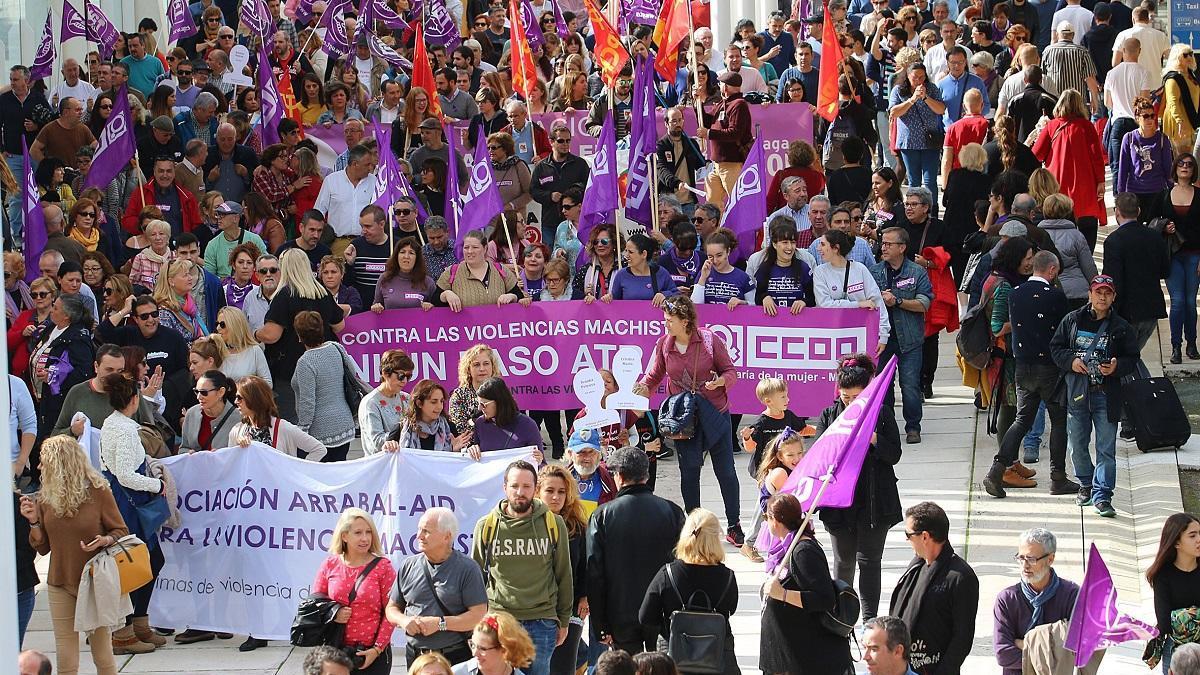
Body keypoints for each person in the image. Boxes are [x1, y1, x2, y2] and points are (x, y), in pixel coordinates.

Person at [634, 295, 744, 545]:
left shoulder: (709, 340)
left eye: (669, 320)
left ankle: (734, 524)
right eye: (664, 320)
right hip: (683, 419)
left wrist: (720, 382)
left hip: (715, 412)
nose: (665, 324)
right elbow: (653, 376)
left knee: (725, 471)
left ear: (685, 321)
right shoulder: (664, 344)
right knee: (689, 472)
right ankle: (694, 524)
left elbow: (731, 372)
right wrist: (641, 389)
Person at [20, 435, 127, 675]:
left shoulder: (99, 491)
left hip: (94, 582)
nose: (38, 467)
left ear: (59, 463)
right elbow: (43, 547)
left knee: (102, 653)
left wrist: (105, 540)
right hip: (60, 581)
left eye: (43, 461)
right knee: (66, 658)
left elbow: (121, 530)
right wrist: (34, 522)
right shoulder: (46, 497)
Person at [1049, 274, 1139, 518]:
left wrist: (1117, 366)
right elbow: (1056, 348)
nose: (1102, 296)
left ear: (1113, 297)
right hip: (1077, 394)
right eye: (1098, 292)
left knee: (1106, 448)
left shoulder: (1120, 327)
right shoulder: (1072, 320)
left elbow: (1133, 358)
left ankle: (1102, 495)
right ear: (1090, 294)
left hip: (1106, 395)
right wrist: (1072, 361)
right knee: (1077, 444)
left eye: (1107, 293)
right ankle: (1086, 483)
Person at [471, 460, 573, 675]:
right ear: (504, 487)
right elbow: (476, 578)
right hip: (499, 620)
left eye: (526, 486)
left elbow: (564, 575)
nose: (520, 492)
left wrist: (563, 620)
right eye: (515, 486)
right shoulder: (487, 526)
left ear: (535, 489)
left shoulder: (553, 524)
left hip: (542, 622)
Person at [586, 447, 685, 655]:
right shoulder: (673, 512)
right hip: (663, 613)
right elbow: (682, 565)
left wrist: (601, 626)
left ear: (619, 477)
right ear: (646, 475)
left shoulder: (602, 516)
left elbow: (595, 573)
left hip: (619, 615)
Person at [96, 373, 168, 654]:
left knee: (140, 561)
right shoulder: (125, 430)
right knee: (140, 562)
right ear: (134, 399)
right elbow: (126, 474)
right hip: (131, 503)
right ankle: (127, 629)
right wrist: (157, 484)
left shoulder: (110, 423)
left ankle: (137, 622)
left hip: (120, 500)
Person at [758, 493, 854, 673]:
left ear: (776, 521)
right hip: (784, 652)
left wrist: (783, 595)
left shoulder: (803, 551)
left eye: (767, 517)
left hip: (802, 656)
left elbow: (825, 599)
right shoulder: (784, 548)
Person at [639, 509, 740, 675]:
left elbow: (645, 616)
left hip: (674, 656)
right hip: (717, 656)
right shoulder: (727, 576)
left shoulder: (668, 574)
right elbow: (731, 608)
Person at [387, 507, 488, 667]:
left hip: (454, 658)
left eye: (426, 531)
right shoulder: (408, 566)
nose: (419, 536)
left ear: (447, 537)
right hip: (415, 657)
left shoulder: (467, 569)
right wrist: (404, 620)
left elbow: (478, 616)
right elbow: (391, 608)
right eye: (419, 530)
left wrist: (440, 623)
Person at [889, 502, 979, 675]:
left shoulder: (961, 577)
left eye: (908, 535)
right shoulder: (916, 566)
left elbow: (962, 637)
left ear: (924, 536)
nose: (907, 540)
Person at [256, 249, 345, 422]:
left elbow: (272, 335)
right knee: (321, 418)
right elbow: (339, 325)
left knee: (293, 422)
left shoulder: (285, 295)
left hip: (290, 369)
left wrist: (255, 333)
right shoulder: (322, 293)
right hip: (323, 364)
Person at [311, 508, 397, 674]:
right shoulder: (330, 564)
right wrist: (334, 613)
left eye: (368, 532)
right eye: (358, 532)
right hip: (334, 651)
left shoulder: (383, 568)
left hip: (371, 655)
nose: (365, 538)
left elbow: (392, 611)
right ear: (344, 536)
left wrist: (377, 649)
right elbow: (316, 603)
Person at [992, 528, 1082, 675]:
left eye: (1032, 559)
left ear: (1050, 559)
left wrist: (1024, 644)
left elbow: (1076, 649)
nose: (1025, 565)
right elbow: (1003, 654)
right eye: (1021, 558)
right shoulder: (1007, 599)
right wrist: (1052, 650)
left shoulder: (1071, 594)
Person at [871, 228, 932, 443]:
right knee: (884, 387)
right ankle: (888, 428)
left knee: (910, 385)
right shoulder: (874, 271)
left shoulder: (917, 272)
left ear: (902, 247)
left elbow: (924, 303)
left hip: (910, 339)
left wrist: (897, 301)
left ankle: (913, 427)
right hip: (882, 341)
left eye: (889, 244)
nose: (883, 247)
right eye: (883, 243)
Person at [1031, 89, 1106, 250]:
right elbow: (1097, 157)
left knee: (1061, 233)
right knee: (1088, 230)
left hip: (1058, 187)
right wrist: (1101, 181)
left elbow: (1036, 154)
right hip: (1084, 188)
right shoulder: (1087, 126)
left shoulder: (1051, 126)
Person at [535, 463, 590, 675]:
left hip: (570, 607)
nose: (556, 497)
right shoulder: (526, 524)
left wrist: (585, 596)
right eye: (549, 491)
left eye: (561, 492)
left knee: (562, 666)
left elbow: (585, 564)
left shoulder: (577, 525)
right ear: (538, 491)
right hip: (536, 608)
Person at [1103, 192, 1172, 360]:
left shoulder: (1114, 241)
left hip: (1126, 311)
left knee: (1124, 360)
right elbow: (1165, 271)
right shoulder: (1155, 236)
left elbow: (1113, 281)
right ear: (1139, 211)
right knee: (1132, 357)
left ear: (1117, 211)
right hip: (1151, 309)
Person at [292, 311, 359, 462]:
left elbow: (308, 402)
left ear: (299, 336)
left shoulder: (305, 362)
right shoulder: (336, 347)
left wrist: (302, 431)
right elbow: (353, 374)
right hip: (345, 424)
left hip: (319, 432)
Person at [29, 295, 97, 441]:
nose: (51, 310)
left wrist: (54, 377)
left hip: (59, 404)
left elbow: (84, 373)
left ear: (66, 316)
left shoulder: (77, 338)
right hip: (40, 399)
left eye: (55, 307)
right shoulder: (51, 327)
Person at [814, 230, 891, 356]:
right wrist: (858, 304)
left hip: (861, 334)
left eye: (822, 244)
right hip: (832, 335)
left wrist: (883, 335)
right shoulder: (820, 272)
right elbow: (824, 305)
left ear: (835, 248)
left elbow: (877, 302)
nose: (818, 248)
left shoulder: (860, 269)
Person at [1155, 154, 1200, 363]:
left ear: (1193, 170)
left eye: (1189, 165)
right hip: (1172, 255)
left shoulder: (1199, 195)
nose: (1185, 167)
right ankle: (1176, 347)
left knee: (1191, 302)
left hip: (1194, 256)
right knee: (1178, 301)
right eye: (1181, 163)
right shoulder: (1164, 195)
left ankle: (1191, 343)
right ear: (1175, 168)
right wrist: (1164, 227)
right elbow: (1151, 222)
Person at [1146, 513, 1200, 673]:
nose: (1199, 539)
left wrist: (1182, 617)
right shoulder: (1162, 575)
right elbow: (1164, 623)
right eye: (1192, 535)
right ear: (1176, 542)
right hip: (1176, 651)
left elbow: (1172, 619)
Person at [230, 375, 328, 460]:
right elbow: (232, 464)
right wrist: (238, 448)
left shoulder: (283, 428)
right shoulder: (237, 431)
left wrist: (297, 471)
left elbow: (319, 449)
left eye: (239, 398)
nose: (236, 402)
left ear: (254, 399)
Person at [890, 63, 947, 206]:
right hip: (909, 142)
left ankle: (931, 212)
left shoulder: (932, 89)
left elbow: (941, 109)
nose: (919, 81)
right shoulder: (898, 90)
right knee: (914, 180)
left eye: (922, 77)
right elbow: (893, 112)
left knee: (930, 180)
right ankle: (913, 209)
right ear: (908, 76)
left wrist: (926, 98)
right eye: (915, 78)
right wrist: (912, 100)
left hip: (930, 142)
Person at [698, 71, 753, 207]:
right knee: (712, 204)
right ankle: (715, 227)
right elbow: (706, 120)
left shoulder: (739, 105)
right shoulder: (722, 104)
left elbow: (735, 133)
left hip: (732, 164)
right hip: (717, 164)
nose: (719, 86)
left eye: (721, 84)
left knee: (737, 202)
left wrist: (709, 134)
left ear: (726, 87)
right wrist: (697, 103)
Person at [1037, 195, 1098, 308]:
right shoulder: (1076, 236)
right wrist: (1096, 285)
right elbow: (1088, 266)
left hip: (1045, 289)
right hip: (1076, 291)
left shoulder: (1037, 235)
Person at [465, 378, 544, 460]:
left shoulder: (527, 425)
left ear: (499, 402)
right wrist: (472, 451)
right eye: (478, 404)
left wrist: (538, 461)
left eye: (484, 404)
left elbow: (542, 465)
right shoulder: (480, 423)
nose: (480, 408)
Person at [452, 612, 537, 675]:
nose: (474, 653)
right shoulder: (456, 672)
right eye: (473, 645)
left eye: (483, 649)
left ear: (504, 650)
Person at [180, 369, 239, 453]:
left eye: (204, 392)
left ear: (221, 392)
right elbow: (183, 448)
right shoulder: (191, 413)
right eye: (196, 391)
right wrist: (189, 454)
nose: (199, 397)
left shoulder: (238, 418)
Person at [373, 237, 435, 312]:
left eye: (411, 253)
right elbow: (376, 305)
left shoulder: (428, 282)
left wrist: (431, 307)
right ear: (396, 256)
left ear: (417, 258)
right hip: (389, 323)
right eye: (402, 252)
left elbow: (437, 312)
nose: (406, 257)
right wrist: (376, 307)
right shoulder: (384, 278)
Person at [1162, 45, 1200, 155]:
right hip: (1179, 123)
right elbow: (1172, 102)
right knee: (1182, 157)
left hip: (1190, 120)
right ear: (1177, 57)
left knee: (1187, 156)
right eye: (1185, 55)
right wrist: (1180, 122)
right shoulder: (1173, 78)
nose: (1189, 57)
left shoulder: (1190, 75)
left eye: (1191, 53)